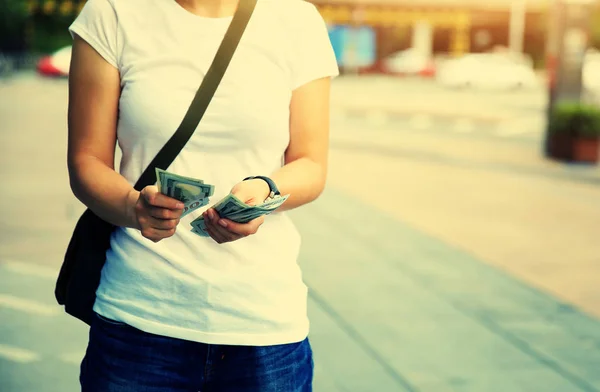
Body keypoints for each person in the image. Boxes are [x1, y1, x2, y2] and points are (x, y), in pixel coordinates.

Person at [66, 0, 339, 390]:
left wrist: (264, 190)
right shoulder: (112, 12)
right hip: (139, 320)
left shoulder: (296, 19)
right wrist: (134, 208)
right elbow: (86, 161)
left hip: (263, 326)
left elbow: (311, 164)